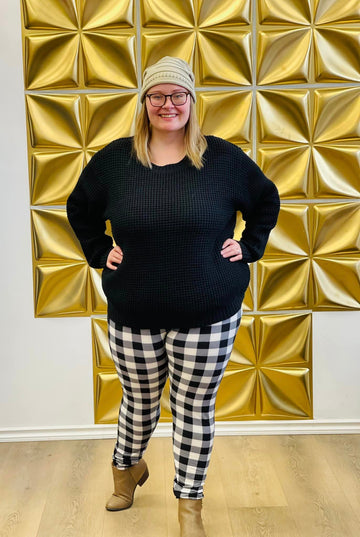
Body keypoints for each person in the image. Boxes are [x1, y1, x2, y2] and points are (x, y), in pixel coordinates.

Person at [66, 56, 280, 537]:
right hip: (134, 309)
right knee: (138, 402)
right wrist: (100, 251)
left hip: (209, 310)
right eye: (157, 96)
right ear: (144, 103)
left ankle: (190, 508)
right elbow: (79, 208)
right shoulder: (117, 161)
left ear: (191, 101)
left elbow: (267, 200)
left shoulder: (221, 159)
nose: (168, 104)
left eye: (178, 95)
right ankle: (127, 471)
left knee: (193, 408)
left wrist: (248, 248)